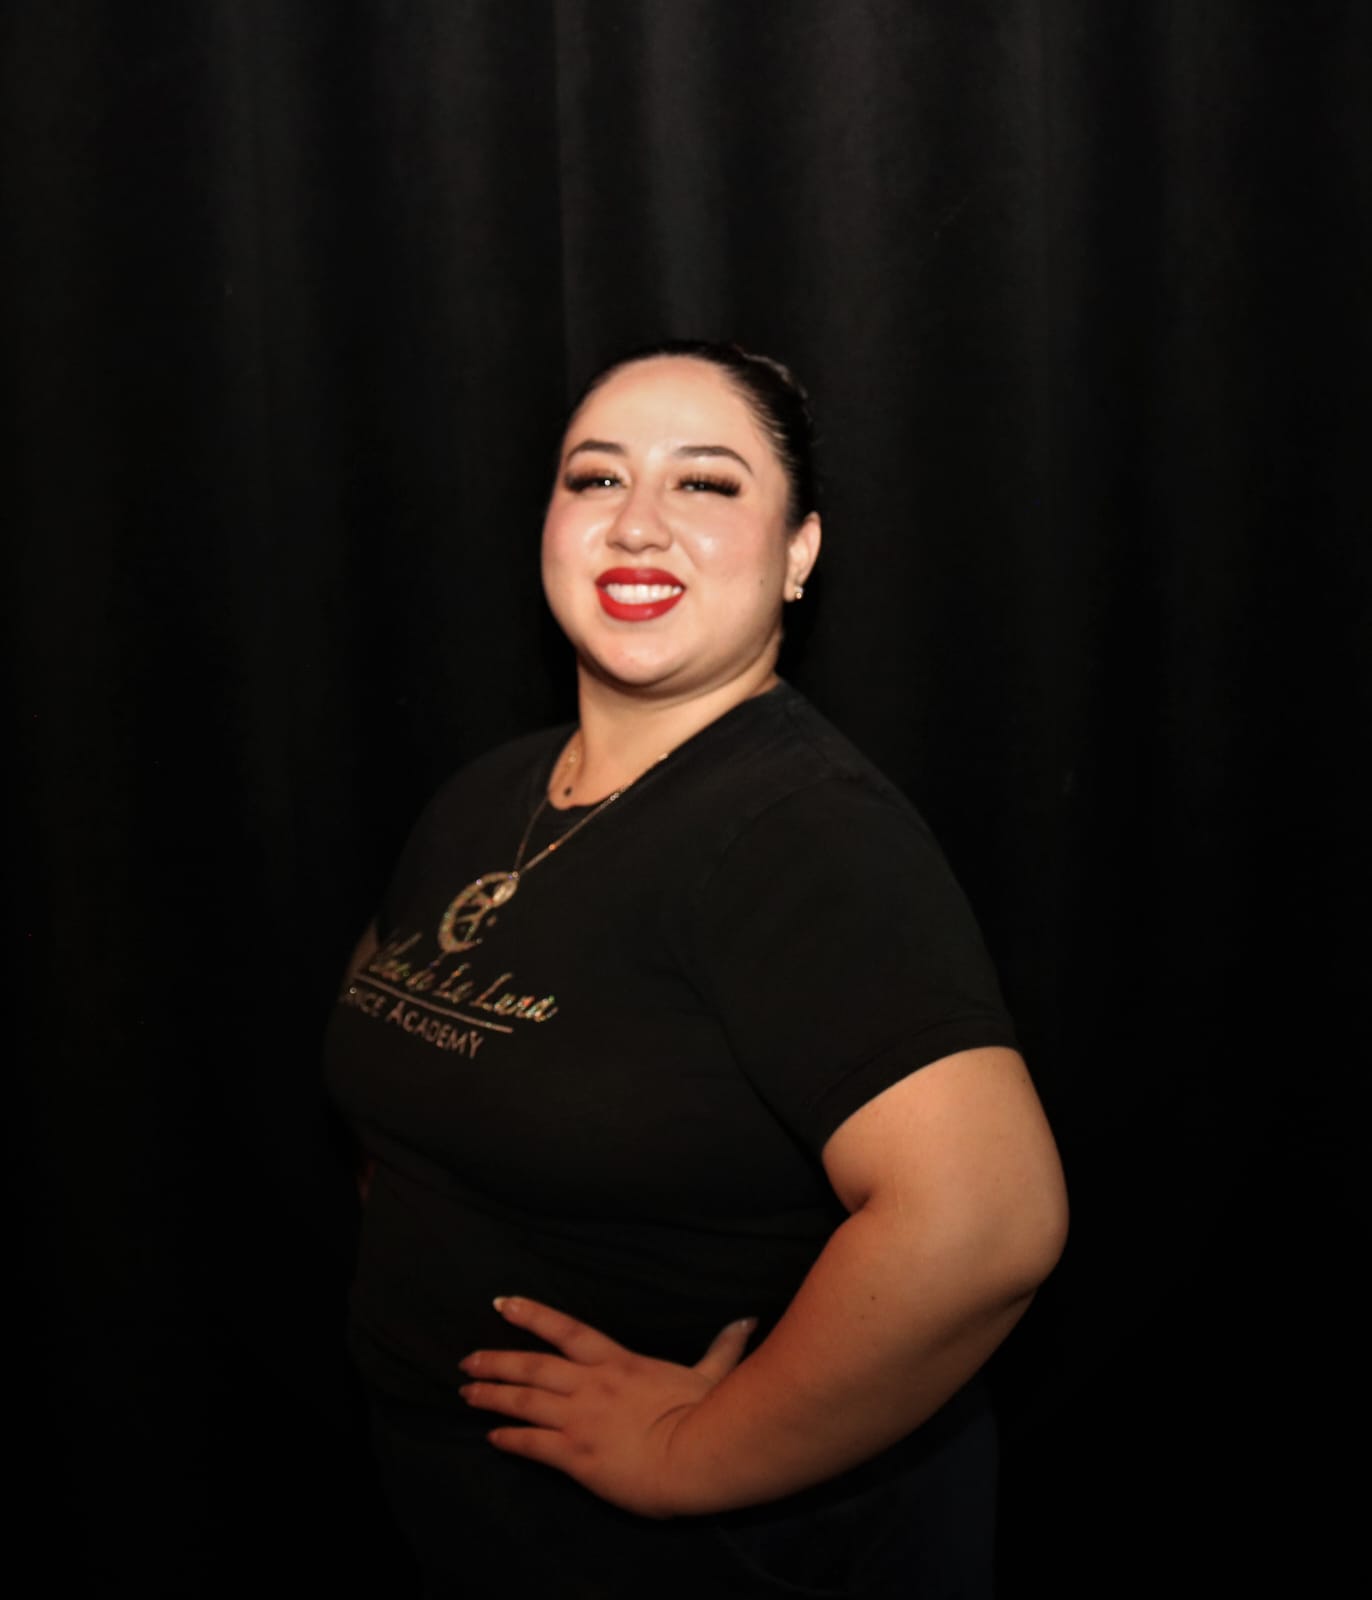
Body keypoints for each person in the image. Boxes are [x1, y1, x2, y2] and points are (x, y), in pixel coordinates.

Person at [325, 340, 1068, 1598]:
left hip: (726, 1545)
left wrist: (691, 1452)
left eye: (706, 483)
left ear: (799, 553)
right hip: (466, 1497)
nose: (638, 523)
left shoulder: (802, 832)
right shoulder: (486, 794)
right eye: (596, 477)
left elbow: (986, 1223)